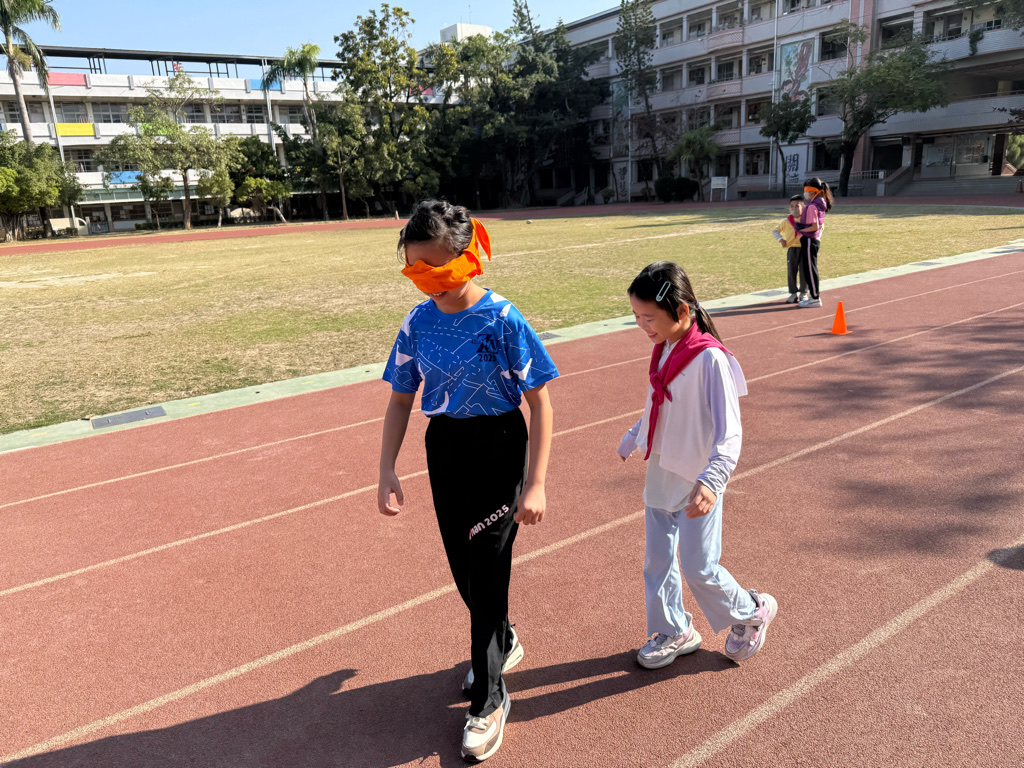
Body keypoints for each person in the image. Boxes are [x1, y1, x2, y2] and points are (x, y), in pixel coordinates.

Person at [377, 199, 557, 763]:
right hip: (446, 448)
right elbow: (400, 399)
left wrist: (536, 483)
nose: (425, 279)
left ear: (465, 256)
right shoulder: (417, 322)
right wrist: (386, 468)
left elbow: (541, 403)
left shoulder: (502, 318)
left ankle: (490, 698)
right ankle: (503, 638)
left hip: (499, 446)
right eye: (414, 268)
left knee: (488, 566)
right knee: (463, 565)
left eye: (434, 267)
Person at [616, 261, 778, 670]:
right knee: (658, 560)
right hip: (662, 470)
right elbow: (660, 404)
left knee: (699, 566)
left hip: (697, 479)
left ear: (682, 311)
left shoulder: (710, 360)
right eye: (636, 317)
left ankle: (752, 610)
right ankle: (674, 629)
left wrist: (712, 480)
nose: (642, 326)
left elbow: (730, 433)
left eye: (648, 318)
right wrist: (636, 434)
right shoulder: (664, 348)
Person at [797, 177, 834, 309]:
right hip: (812, 240)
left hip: (809, 240)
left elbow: (814, 226)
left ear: (812, 191)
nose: (805, 193)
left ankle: (815, 298)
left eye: (806, 190)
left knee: (810, 269)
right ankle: (813, 296)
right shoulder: (819, 203)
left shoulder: (813, 206)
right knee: (810, 268)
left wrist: (800, 229)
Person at [772, 195, 805, 304]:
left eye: (797, 206)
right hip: (792, 249)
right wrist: (781, 240)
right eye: (792, 206)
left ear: (802, 206)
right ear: (789, 207)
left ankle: (803, 293)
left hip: (804, 248)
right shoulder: (787, 221)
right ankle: (793, 293)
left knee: (804, 272)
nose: (794, 208)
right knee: (791, 271)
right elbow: (775, 231)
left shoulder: (806, 219)